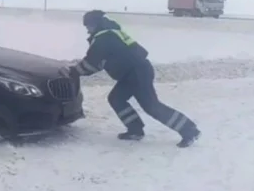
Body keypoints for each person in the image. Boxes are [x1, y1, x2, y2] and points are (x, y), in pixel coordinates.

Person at [59, 10, 200, 147]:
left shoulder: (103, 38)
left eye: (88, 25)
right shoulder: (113, 33)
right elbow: (101, 62)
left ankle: (189, 131)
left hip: (137, 73)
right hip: (135, 72)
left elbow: (90, 63)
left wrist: (74, 72)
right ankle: (135, 130)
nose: (88, 30)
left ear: (96, 24)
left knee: (151, 106)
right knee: (116, 98)